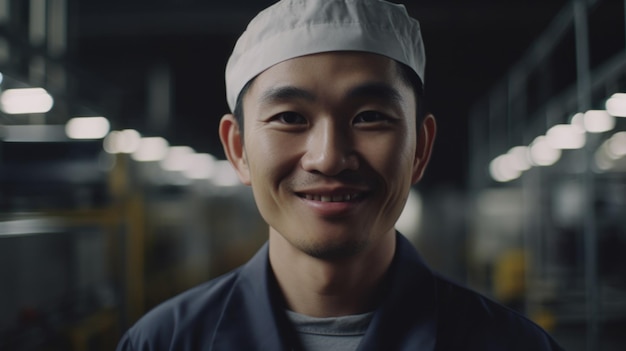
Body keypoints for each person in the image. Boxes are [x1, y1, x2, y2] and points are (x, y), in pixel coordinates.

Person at [116, 0, 565, 350]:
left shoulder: (512, 345)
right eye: (290, 118)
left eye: (370, 117)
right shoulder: (162, 342)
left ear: (420, 149)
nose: (328, 158)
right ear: (239, 150)